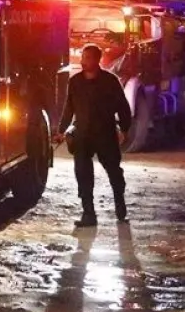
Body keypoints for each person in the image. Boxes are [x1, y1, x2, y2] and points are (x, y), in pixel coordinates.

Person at [54, 44, 132, 227]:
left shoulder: (110, 81)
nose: (83, 61)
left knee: (114, 172)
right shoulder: (75, 81)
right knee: (83, 174)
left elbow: (123, 106)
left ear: (97, 60)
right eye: (83, 57)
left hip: (105, 134)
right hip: (82, 135)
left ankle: (120, 206)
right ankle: (88, 214)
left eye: (87, 58)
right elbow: (69, 108)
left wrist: (125, 129)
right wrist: (61, 130)